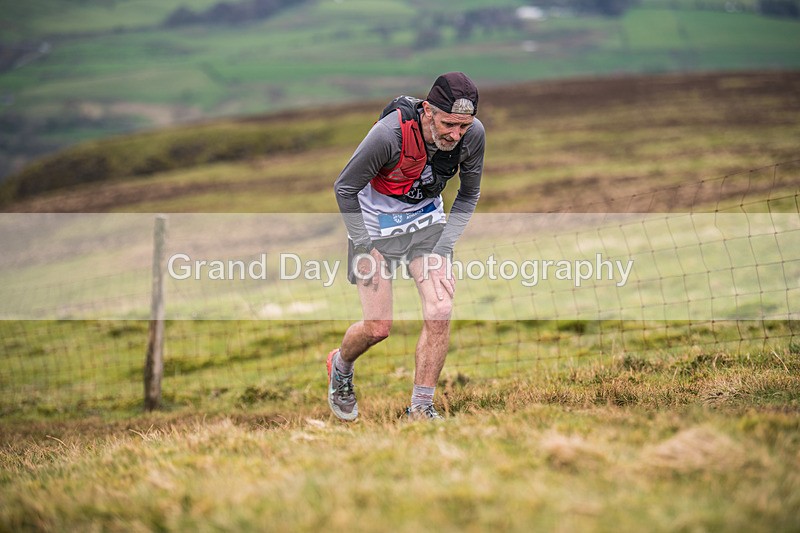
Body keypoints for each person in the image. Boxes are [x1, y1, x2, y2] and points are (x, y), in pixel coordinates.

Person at [328, 72, 485, 421]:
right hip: (373, 226)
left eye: (464, 126)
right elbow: (344, 188)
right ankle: (340, 364)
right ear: (428, 110)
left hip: (426, 224)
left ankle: (421, 408)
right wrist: (366, 244)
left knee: (440, 309)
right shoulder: (389, 134)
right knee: (377, 328)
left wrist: (444, 248)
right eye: (448, 124)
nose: (456, 134)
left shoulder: (472, 135)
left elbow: (469, 194)